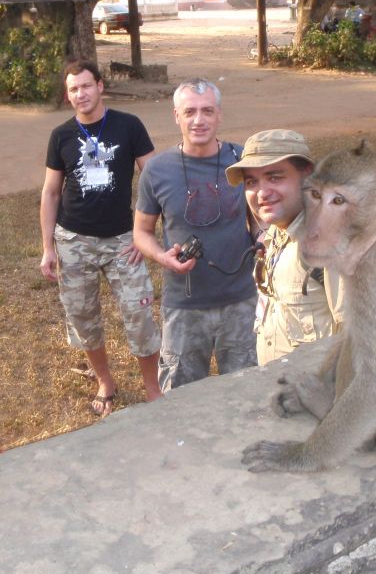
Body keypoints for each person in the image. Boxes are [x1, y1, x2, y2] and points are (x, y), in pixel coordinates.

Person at [40, 58, 162, 417]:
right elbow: (50, 193)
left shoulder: (129, 126)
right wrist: (48, 247)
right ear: (68, 95)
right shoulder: (61, 135)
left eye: (86, 85)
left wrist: (144, 234)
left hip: (123, 240)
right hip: (74, 241)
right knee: (83, 317)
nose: (81, 94)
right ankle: (105, 381)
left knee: (139, 314)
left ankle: (153, 389)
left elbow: (154, 180)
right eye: (73, 88)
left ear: (100, 86)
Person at [134, 78, 257, 391]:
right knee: (180, 396)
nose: (199, 120)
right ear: (177, 116)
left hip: (240, 301)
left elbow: (258, 217)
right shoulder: (157, 170)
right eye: (189, 112)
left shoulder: (243, 160)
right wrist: (162, 256)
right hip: (184, 304)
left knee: (246, 390)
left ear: (219, 115)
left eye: (207, 111)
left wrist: (263, 238)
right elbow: (142, 231)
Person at [225, 129, 343, 366]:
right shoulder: (277, 233)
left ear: (307, 177)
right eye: (251, 182)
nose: (262, 192)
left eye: (275, 177)